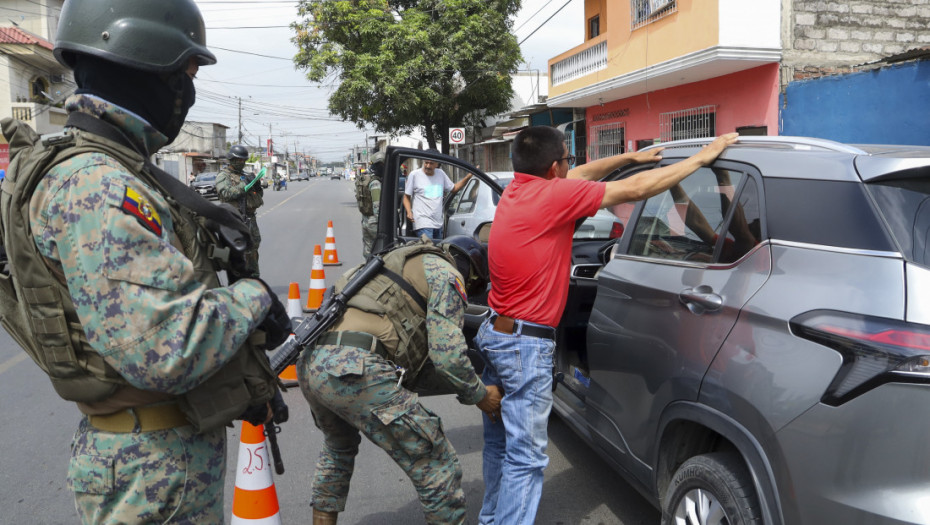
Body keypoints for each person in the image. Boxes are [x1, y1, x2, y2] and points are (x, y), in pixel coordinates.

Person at [0, 1, 291, 522]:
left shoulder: (113, 168)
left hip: (154, 454)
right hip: (152, 466)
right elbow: (165, 347)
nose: (189, 88)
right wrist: (256, 298)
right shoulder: (100, 184)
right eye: (187, 71)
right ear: (147, 66)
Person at [475, 126, 738, 525]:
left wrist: (629, 157)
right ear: (553, 169)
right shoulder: (555, 195)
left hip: (495, 333)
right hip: (524, 347)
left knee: (499, 446)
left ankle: (492, 519)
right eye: (567, 159)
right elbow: (636, 190)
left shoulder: (518, 189)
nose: (572, 166)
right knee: (527, 459)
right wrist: (702, 158)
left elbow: (583, 175)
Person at [297, 236, 504, 525]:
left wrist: (464, 384)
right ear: (472, 273)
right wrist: (481, 395)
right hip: (356, 367)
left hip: (312, 363)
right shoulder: (448, 275)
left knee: (338, 447)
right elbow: (448, 358)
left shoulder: (394, 263)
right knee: (435, 462)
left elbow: (419, 367)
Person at [216, 144, 264, 276]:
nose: (241, 163)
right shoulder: (223, 176)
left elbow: (257, 196)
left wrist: (256, 185)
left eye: (244, 160)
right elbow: (225, 193)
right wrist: (244, 186)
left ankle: (254, 277)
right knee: (238, 252)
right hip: (234, 220)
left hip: (249, 218)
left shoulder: (245, 175)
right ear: (231, 159)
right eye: (239, 160)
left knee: (253, 248)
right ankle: (239, 280)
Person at [403, 149, 472, 240]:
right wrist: (409, 212)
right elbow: (406, 197)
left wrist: (468, 177)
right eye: (426, 162)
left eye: (431, 163)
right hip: (422, 223)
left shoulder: (441, 174)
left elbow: (453, 189)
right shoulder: (414, 175)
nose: (428, 166)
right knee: (429, 250)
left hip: (438, 224)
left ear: (437, 164)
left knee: (437, 251)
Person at [359, 150, 384, 258]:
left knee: (368, 251)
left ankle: (367, 270)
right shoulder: (376, 183)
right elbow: (377, 206)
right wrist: (382, 225)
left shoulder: (369, 180)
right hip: (374, 222)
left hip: (366, 220)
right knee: (382, 251)